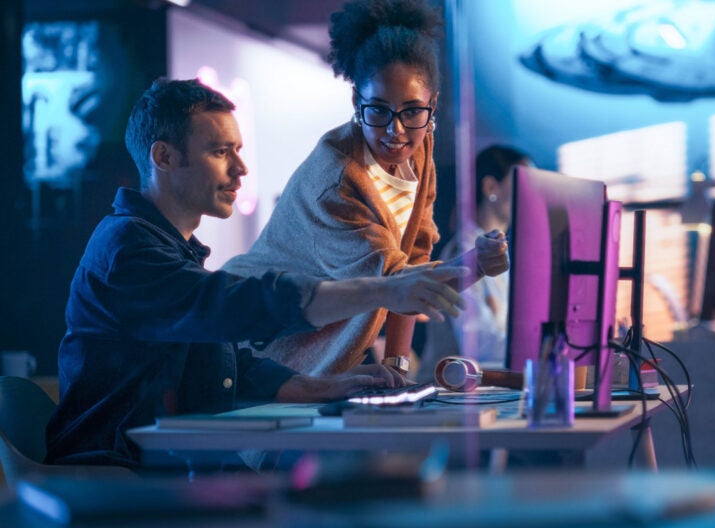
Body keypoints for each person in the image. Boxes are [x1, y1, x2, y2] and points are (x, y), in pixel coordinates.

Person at [45, 78, 467, 469]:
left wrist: (323, 386)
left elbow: (228, 362)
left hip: (160, 470)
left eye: (238, 151)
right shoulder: (126, 249)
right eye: (219, 151)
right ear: (164, 157)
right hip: (117, 478)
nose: (240, 170)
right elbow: (233, 305)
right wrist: (385, 290)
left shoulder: (163, 246)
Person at [224, 0, 508, 377]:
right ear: (357, 101)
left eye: (411, 111)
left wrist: (397, 364)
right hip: (258, 344)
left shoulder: (419, 149)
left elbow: (414, 260)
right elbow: (396, 283)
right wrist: (476, 264)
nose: (397, 131)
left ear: (432, 105)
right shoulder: (336, 180)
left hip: (319, 350)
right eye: (378, 110)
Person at [420, 145, 531, 373]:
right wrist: (542, 346)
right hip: (446, 397)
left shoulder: (500, 254)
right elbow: (479, 347)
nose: (531, 195)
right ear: (491, 187)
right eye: (524, 184)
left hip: (479, 393)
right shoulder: (462, 253)